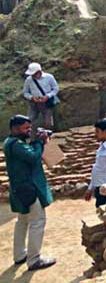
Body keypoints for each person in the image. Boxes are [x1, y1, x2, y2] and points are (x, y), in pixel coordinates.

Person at [4, 115, 56, 271]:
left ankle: (19, 254)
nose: (28, 131)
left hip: (20, 189)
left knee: (23, 221)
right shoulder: (17, 145)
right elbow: (33, 157)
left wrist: (35, 142)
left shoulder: (10, 143)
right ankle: (34, 260)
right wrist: (40, 142)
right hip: (29, 190)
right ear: (15, 128)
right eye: (25, 128)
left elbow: (29, 154)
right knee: (37, 222)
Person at [23, 62, 59, 135]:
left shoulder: (49, 77)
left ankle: (47, 136)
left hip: (46, 102)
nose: (32, 76)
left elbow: (55, 89)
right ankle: (31, 135)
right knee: (30, 119)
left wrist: (47, 96)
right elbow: (25, 92)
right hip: (34, 103)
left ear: (39, 72)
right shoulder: (28, 80)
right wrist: (32, 98)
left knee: (48, 121)